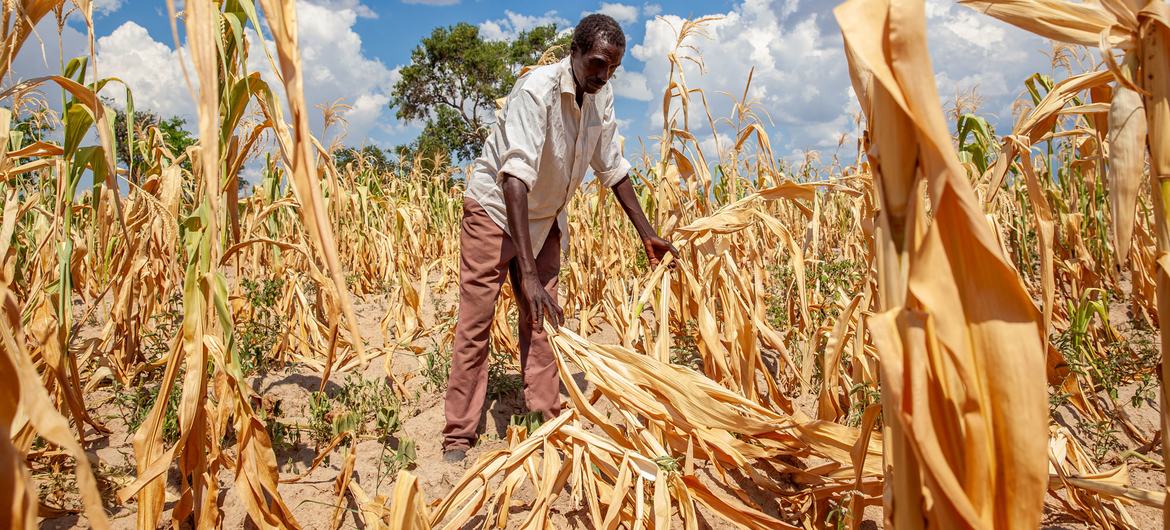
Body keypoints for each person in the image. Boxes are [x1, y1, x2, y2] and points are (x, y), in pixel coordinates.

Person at [442, 13, 676, 462]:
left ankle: (545, 416)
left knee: (544, 318)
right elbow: (514, 179)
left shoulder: (599, 97)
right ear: (574, 52)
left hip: (545, 216)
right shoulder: (537, 92)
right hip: (496, 211)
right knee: (476, 322)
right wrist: (525, 274)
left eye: (612, 68)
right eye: (596, 63)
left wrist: (647, 234)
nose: (603, 74)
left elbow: (613, 167)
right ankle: (458, 435)